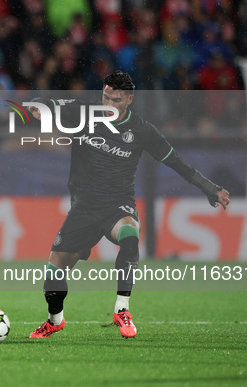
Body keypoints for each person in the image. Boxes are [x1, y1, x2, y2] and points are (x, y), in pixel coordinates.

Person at [28, 70, 230, 339]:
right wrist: (38, 106)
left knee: (130, 233)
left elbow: (176, 161)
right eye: (106, 97)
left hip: (118, 205)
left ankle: (121, 308)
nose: (109, 104)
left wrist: (210, 188)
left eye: (117, 99)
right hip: (84, 209)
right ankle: (55, 320)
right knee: (53, 277)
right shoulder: (84, 114)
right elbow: (52, 103)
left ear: (130, 100)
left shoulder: (143, 130)